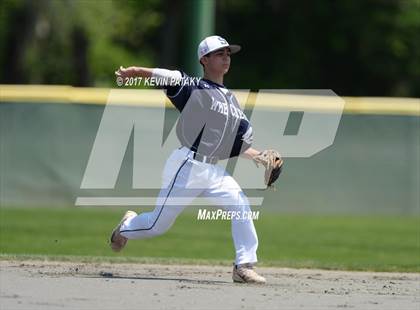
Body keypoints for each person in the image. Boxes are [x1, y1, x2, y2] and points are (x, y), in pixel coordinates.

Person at [111, 35, 267, 284]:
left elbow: (231, 143)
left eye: (228, 53)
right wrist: (137, 72)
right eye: (219, 53)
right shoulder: (196, 88)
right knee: (156, 226)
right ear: (204, 60)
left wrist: (259, 156)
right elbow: (169, 76)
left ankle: (243, 266)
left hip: (213, 170)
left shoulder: (232, 100)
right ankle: (127, 226)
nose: (226, 57)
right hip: (189, 165)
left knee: (241, 204)